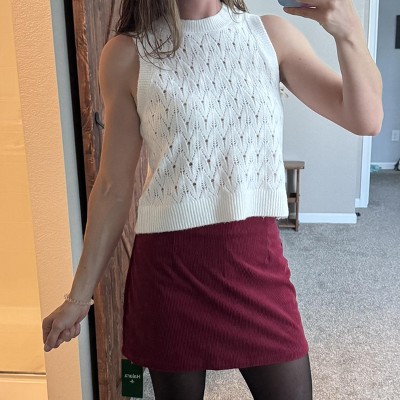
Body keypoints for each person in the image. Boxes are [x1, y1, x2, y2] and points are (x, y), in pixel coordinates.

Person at [42, 0, 383, 399]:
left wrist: (349, 33)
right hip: (170, 272)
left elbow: (364, 118)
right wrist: (78, 297)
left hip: (256, 260)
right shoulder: (126, 53)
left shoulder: (269, 35)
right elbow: (113, 188)